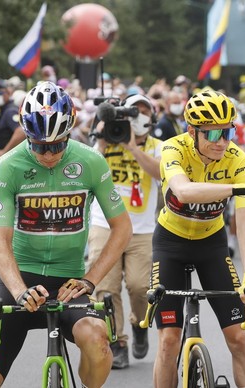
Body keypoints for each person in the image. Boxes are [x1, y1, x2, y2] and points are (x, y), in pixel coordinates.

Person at [0, 81, 132, 388]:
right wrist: (19, 291)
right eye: (40, 146)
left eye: (57, 145)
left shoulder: (90, 161)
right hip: (20, 282)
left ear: (70, 133)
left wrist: (90, 279)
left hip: (69, 283)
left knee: (98, 343)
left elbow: (122, 228)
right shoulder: (8, 166)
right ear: (27, 136)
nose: (48, 154)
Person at [151, 90, 245, 388]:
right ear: (192, 131)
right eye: (213, 133)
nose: (221, 141)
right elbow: (184, 191)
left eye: (228, 132)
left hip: (211, 244)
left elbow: (243, 222)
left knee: (239, 337)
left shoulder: (238, 160)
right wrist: (237, 190)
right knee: (168, 342)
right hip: (170, 243)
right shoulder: (172, 149)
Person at [88, 93, 162, 369]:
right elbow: (89, 167)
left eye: (143, 112)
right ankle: (117, 341)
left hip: (141, 230)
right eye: (132, 111)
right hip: (104, 224)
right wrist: (101, 136)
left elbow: (159, 173)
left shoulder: (158, 147)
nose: (137, 117)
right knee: (105, 289)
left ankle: (139, 324)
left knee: (140, 286)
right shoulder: (108, 139)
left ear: (151, 118)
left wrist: (133, 148)